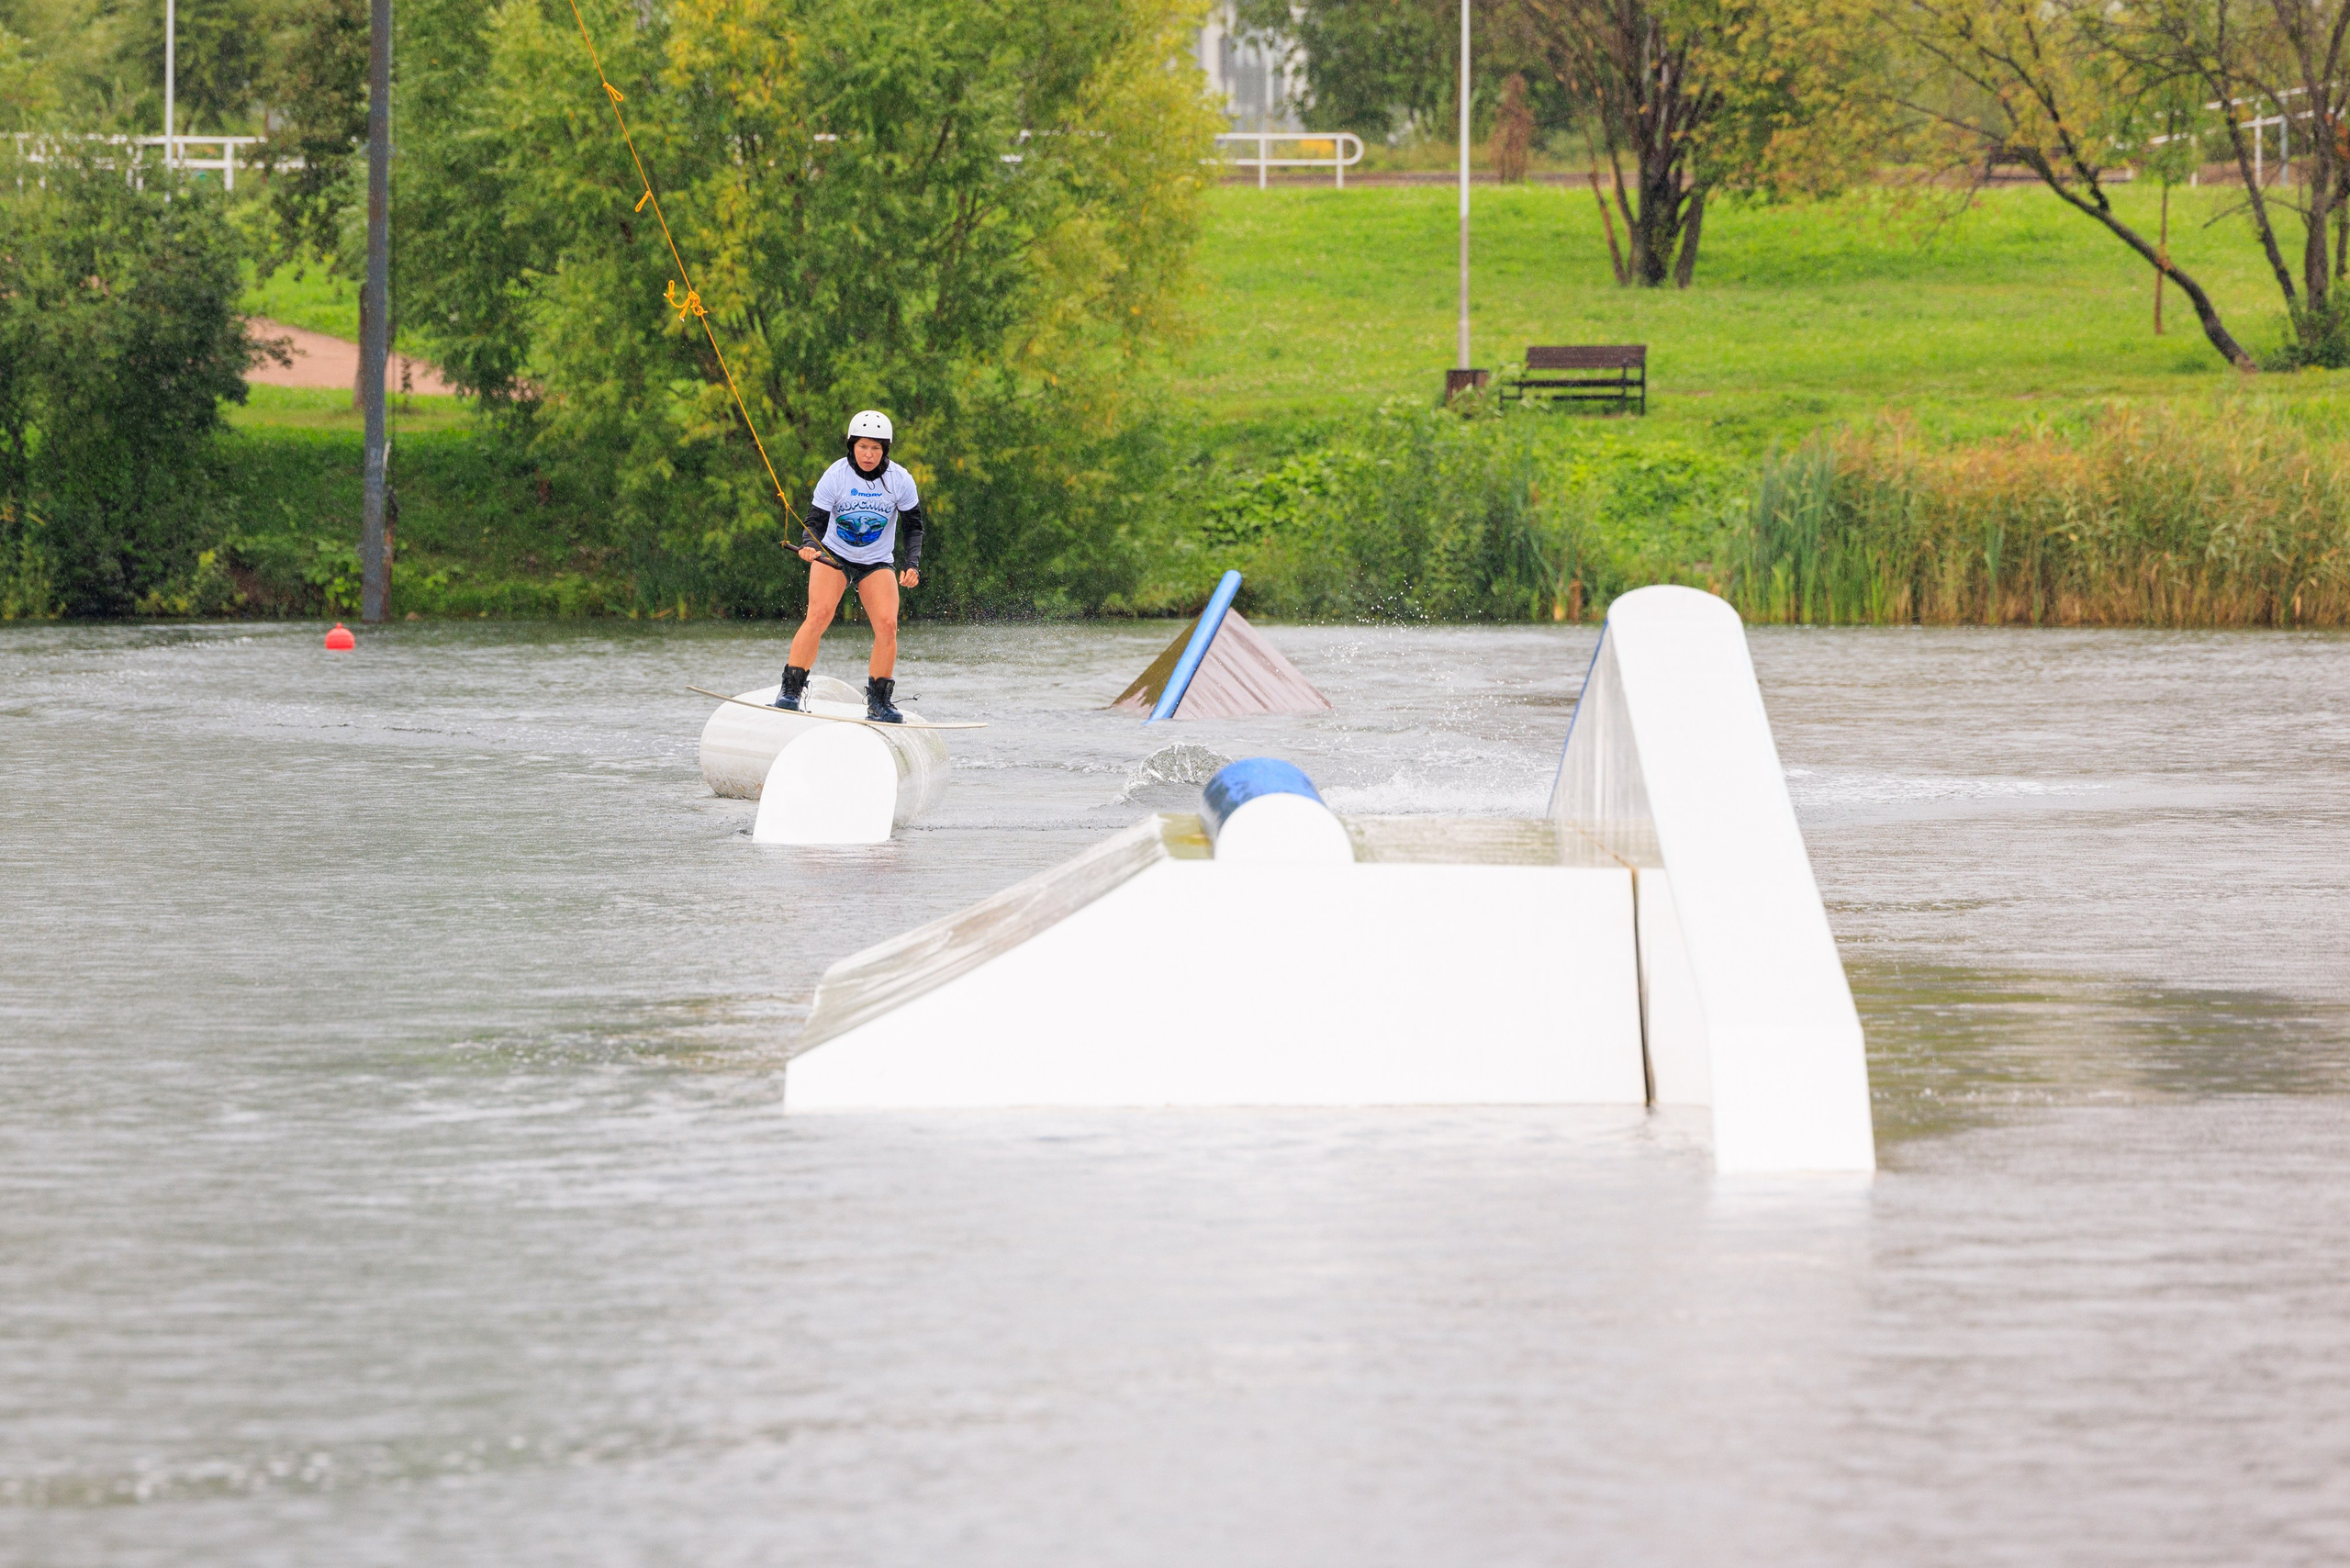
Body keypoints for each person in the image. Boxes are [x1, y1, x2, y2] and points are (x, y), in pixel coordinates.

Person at [776, 409, 925, 722]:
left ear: (885, 450)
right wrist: (807, 545)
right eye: (862, 447)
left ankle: (880, 702)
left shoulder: (900, 480)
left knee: (887, 625)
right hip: (834, 556)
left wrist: (912, 564)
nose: (868, 454)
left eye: (875, 448)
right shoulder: (836, 475)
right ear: (851, 446)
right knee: (819, 615)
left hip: (877, 562)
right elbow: (815, 520)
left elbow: (914, 526)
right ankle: (791, 690)